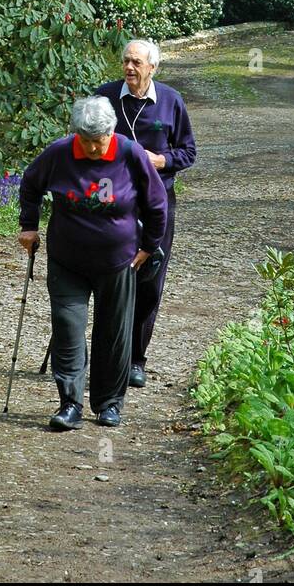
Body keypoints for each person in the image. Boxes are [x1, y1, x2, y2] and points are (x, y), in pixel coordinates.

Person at [18, 95, 167, 430]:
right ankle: (69, 404)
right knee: (68, 329)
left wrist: (149, 245)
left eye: (98, 142)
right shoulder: (60, 152)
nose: (92, 149)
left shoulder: (129, 153)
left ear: (110, 133)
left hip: (119, 262)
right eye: (84, 141)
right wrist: (28, 225)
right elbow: (30, 184)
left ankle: (108, 404)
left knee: (112, 334)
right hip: (67, 261)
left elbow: (157, 203)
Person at [93, 38, 196, 387]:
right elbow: (83, 141)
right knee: (109, 278)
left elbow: (188, 152)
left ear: (153, 67)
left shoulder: (170, 101)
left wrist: (161, 160)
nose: (130, 68)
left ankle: (136, 358)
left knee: (149, 279)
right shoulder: (105, 97)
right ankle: (107, 355)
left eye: (137, 62)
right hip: (112, 203)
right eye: (126, 61)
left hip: (157, 203)